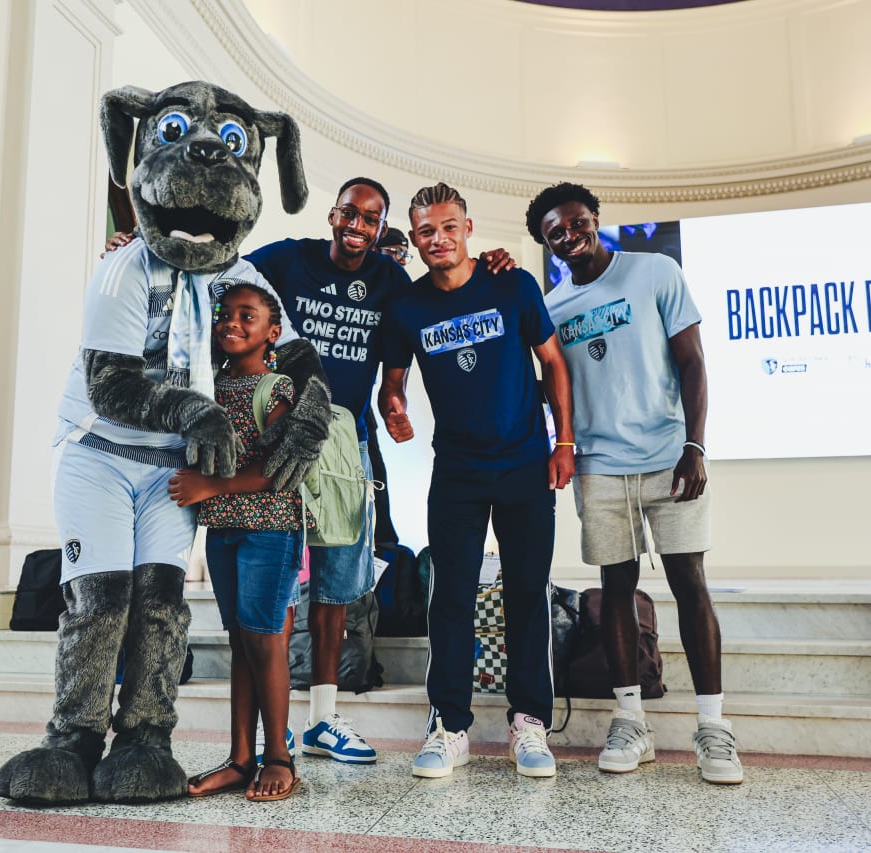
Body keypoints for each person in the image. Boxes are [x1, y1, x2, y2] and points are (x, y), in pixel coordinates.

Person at [107, 178, 513, 764]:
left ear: (381, 229)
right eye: (350, 213)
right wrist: (141, 245)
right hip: (280, 430)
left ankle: (324, 717)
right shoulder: (289, 258)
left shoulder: (391, 279)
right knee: (282, 578)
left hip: (345, 443)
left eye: (371, 220)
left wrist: (492, 263)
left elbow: (443, 294)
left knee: (337, 582)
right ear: (333, 214)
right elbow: (221, 267)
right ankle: (278, 729)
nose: (357, 226)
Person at [526, 182, 743, 785]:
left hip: (669, 458)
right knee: (614, 588)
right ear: (546, 243)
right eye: (554, 232)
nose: (569, 236)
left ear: (594, 218)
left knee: (689, 583)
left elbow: (693, 362)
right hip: (597, 465)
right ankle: (631, 722)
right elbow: (551, 389)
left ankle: (713, 729)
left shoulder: (655, 271)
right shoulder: (553, 306)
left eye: (575, 222)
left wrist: (695, 445)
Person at [378, 182, 575, 779]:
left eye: (448, 227)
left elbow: (555, 363)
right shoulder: (409, 306)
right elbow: (393, 378)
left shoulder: (512, 283)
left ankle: (530, 723)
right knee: (452, 598)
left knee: (525, 593)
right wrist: (394, 404)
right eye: (425, 231)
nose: (438, 239)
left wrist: (563, 442)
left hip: (523, 464)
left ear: (467, 229)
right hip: (457, 470)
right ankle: (449, 725)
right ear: (414, 240)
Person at [169, 282, 304, 802]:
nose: (231, 323)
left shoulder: (279, 388)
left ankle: (279, 757)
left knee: (265, 638)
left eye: (247, 316)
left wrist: (211, 485)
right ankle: (240, 758)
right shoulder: (208, 386)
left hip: (270, 527)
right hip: (224, 531)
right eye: (225, 314)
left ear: (272, 332)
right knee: (241, 641)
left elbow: (279, 466)